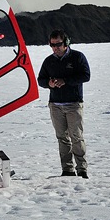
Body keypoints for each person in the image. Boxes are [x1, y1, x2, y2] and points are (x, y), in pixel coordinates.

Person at [37, 30, 91, 178]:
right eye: (52, 45)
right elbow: (40, 79)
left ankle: (82, 169)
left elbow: (86, 75)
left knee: (76, 137)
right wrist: (49, 83)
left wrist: (66, 81)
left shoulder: (77, 57)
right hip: (55, 105)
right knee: (62, 138)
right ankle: (67, 169)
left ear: (66, 43)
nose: (55, 48)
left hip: (73, 104)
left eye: (58, 44)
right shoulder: (49, 61)